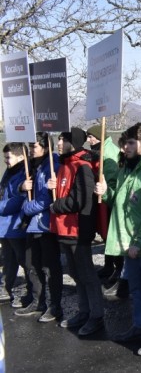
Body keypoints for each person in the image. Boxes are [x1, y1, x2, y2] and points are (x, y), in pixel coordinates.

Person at [95, 122, 141, 357]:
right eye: (125, 142)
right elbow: (119, 202)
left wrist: (140, 242)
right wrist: (105, 192)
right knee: (137, 290)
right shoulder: (127, 169)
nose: (125, 147)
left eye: (130, 142)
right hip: (130, 244)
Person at [48, 127, 104, 336]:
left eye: (63, 139)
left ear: (75, 142)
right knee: (75, 273)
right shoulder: (64, 164)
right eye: (59, 139)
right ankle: (84, 310)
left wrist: (57, 206)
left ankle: (96, 316)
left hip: (78, 229)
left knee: (87, 274)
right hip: (65, 228)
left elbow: (81, 200)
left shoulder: (82, 166)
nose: (59, 143)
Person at [18, 132, 62, 322]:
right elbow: (27, 191)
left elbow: (45, 199)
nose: (30, 149)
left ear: (45, 147)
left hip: (46, 225)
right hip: (33, 225)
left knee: (49, 267)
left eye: (34, 146)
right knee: (32, 265)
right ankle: (38, 301)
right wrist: (22, 188)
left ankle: (55, 306)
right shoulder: (34, 167)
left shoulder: (52, 166)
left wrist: (26, 207)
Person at [86, 124, 124, 286]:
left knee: (111, 234)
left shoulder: (108, 153)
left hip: (110, 200)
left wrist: (102, 185)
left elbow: (111, 179)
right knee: (106, 234)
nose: (88, 140)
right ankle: (109, 266)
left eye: (91, 136)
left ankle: (119, 269)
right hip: (103, 198)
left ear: (99, 136)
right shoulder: (99, 151)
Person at [0, 143, 29, 306]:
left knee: (23, 260)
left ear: (20, 157)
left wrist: (0, 207)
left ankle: (31, 290)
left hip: (15, 225)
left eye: (8, 157)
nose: (5, 160)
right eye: (4, 157)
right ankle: (5, 287)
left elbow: (18, 200)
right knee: (8, 259)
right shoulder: (9, 172)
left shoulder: (24, 173)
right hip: (5, 226)